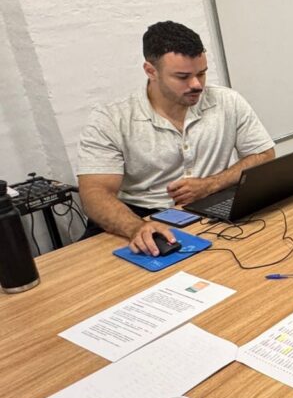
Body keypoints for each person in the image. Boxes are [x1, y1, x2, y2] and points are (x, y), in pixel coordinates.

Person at [77, 21, 275, 255]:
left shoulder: (227, 101)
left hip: (207, 209)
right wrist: (137, 228)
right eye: (182, 77)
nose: (196, 85)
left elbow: (264, 155)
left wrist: (210, 184)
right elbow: (94, 194)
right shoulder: (111, 119)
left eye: (201, 74)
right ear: (151, 71)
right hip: (139, 216)